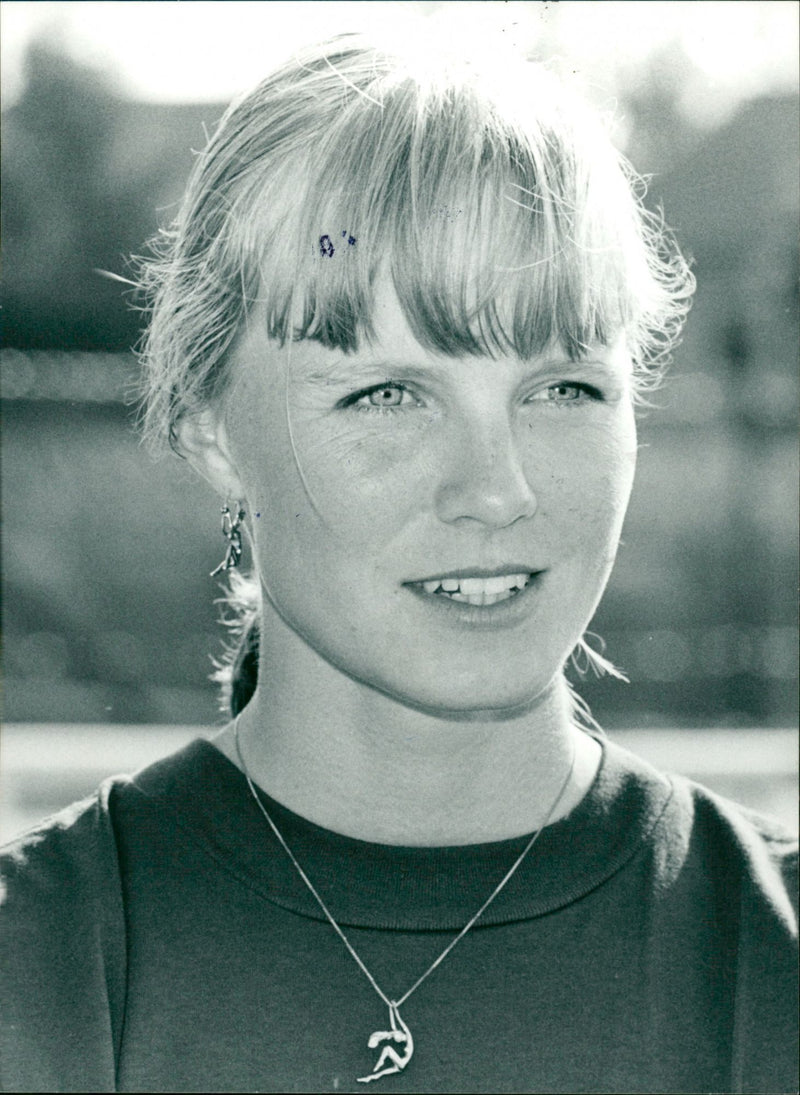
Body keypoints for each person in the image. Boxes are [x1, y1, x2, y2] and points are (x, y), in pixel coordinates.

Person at [1, 33, 796, 1095]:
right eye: (384, 393)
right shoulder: (40, 964)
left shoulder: (767, 956)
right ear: (207, 426)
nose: (497, 489)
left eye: (564, 388)